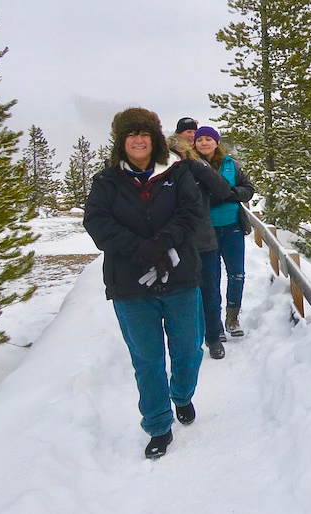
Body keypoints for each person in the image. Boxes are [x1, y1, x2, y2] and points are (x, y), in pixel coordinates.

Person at [83, 107, 205, 459]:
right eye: (131, 134)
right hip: (131, 284)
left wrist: (163, 242)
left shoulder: (177, 173)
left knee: (187, 350)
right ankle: (158, 424)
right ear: (121, 141)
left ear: (154, 139)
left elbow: (191, 212)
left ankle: (181, 394)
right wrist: (139, 248)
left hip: (180, 276)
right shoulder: (106, 181)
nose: (138, 139)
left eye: (144, 133)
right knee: (147, 359)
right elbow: (97, 222)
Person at [169, 117, 231, 359]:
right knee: (181, 297)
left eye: (193, 136)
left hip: (204, 241)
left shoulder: (199, 167)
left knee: (210, 292)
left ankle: (213, 337)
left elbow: (223, 190)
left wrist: (198, 165)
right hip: (175, 244)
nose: (189, 138)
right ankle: (187, 342)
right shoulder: (163, 172)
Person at [193, 125, 255, 341]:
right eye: (200, 139)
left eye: (209, 139)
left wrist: (229, 194)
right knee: (210, 278)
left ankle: (232, 317)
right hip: (205, 231)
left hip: (232, 227)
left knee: (236, 273)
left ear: (216, 142)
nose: (204, 143)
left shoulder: (231, 165)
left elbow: (248, 190)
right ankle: (214, 324)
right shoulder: (191, 165)